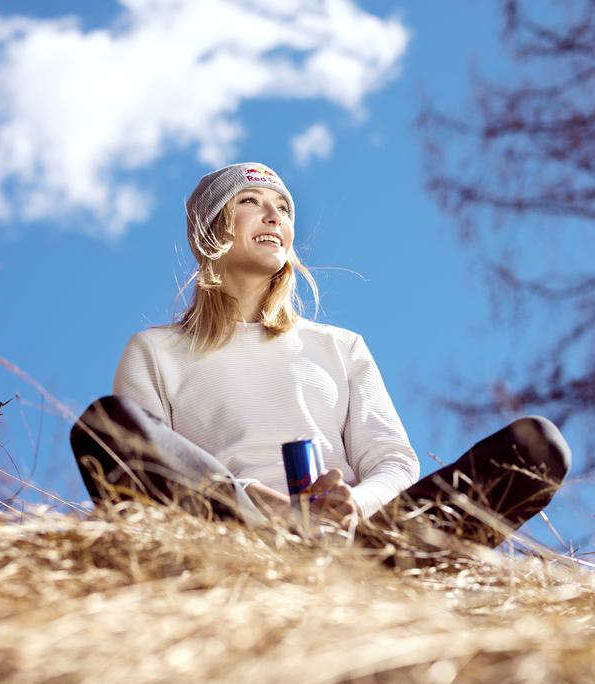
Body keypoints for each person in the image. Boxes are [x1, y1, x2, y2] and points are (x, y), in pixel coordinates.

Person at [71, 162, 571, 552]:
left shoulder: (339, 345)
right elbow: (147, 467)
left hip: (362, 544)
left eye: (283, 208)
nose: (275, 216)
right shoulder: (156, 350)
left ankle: (373, 568)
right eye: (250, 200)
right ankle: (260, 542)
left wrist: (356, 503)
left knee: (537, 447)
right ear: (211, 230)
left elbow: (393, 460)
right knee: (105, 426)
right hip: (230, 537)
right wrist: (246, 501)